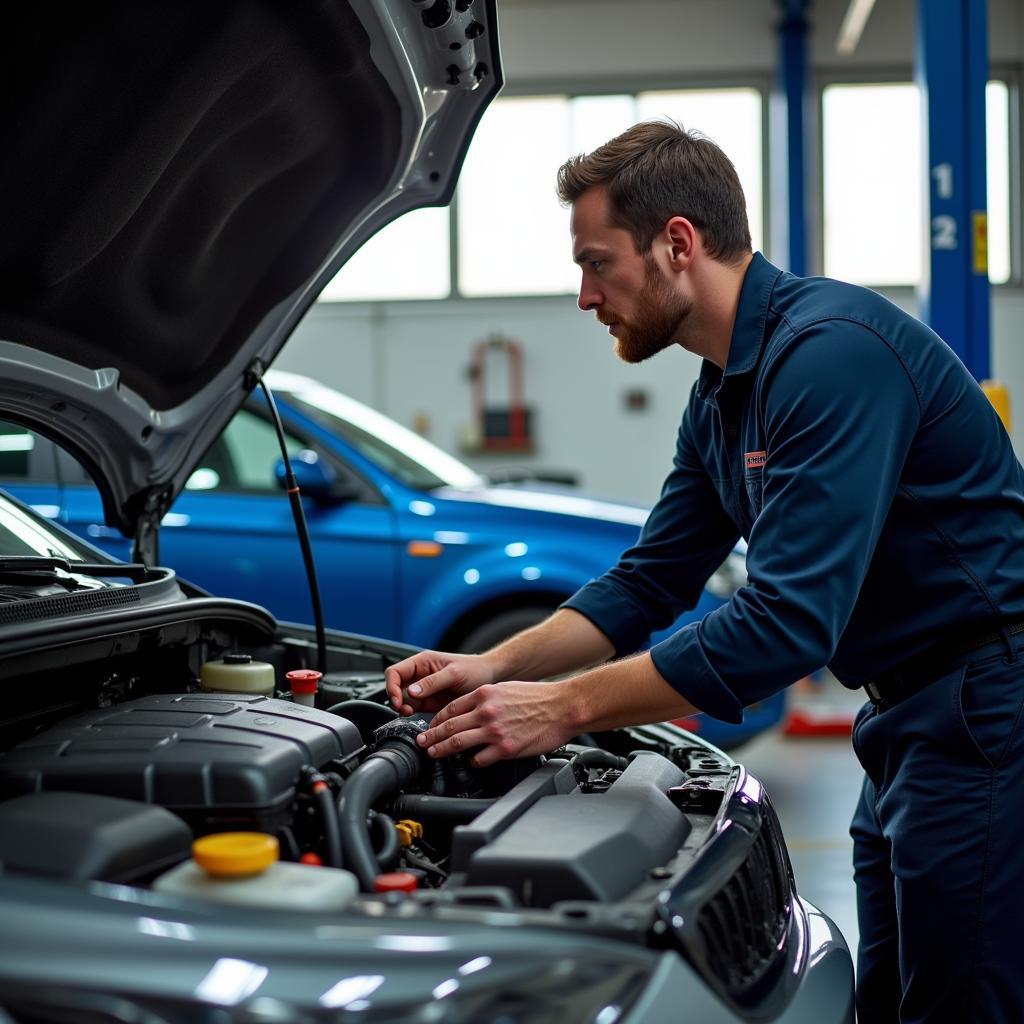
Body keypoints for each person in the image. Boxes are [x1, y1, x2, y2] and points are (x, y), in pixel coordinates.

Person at [385, 120, 1024, 1023]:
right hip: (906, 722)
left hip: (986, 713)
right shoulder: (724, 391)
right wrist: (498, 668)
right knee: (887, 1003)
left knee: (961, 1009)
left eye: (598, 262)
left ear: (677, 244)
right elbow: (650, 577)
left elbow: (785, 625)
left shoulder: (830, 356)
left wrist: (563, 707)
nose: (583, 296)